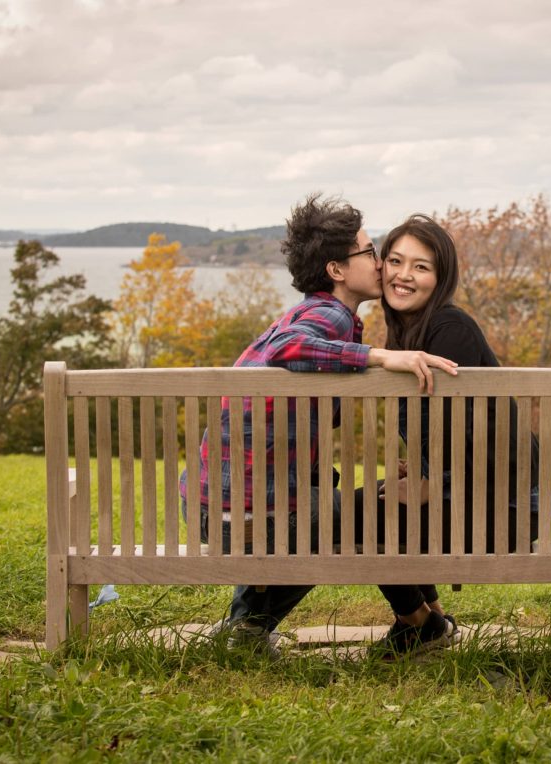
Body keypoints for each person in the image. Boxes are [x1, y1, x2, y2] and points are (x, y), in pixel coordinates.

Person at [179, 195, 458, 656]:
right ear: (337, 270)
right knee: (367, 513)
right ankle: (419, 624)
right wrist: (383, 356)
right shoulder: (325, 315)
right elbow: (290, 348)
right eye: (370, 253)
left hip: (219, 504)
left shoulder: (311, 314)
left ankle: (423, 621)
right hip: (244, 515)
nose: (380, 264)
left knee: (333, 505)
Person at [359, 213, 551, 660]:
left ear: (441, 278)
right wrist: (423, 470)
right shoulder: (413, 329)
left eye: (421, 267)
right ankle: (431, 621)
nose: (404, 275)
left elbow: (472, 433)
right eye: (396, 261)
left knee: (356, 514)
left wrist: (430, 484)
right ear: (382, 266)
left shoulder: (450, 330)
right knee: (371, 502)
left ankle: (420, 624)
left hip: (502, 507)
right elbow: (451, 428)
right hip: (484, 497)